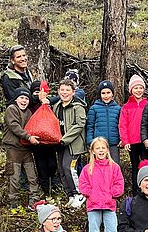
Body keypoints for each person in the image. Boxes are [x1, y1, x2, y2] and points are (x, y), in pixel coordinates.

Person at [78, 137, 124, 232]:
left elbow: (119, 184)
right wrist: (90, 193)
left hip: (109, 206)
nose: (101, 150)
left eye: (103, 148)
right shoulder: (88, 168)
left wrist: (112, 194)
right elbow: (83, 184)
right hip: (93, 206)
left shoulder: (114, 167)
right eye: (98, 148)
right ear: (93, 151)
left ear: (107, 150)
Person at [2, 87, 41, 209]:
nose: (24, 101)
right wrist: (29, 137)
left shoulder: (29, 112)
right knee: (14, 177)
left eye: (26, 98)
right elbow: (14, 126)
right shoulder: (11, 109)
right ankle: (13, 203)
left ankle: (33, 200)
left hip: (26, 149)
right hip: (13, 149)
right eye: (21, 98)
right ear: (16, 99)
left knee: (32, 176)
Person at [52, 79, 88, 208]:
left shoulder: (78, 107)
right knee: (61, 170)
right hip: (59, 144)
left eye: (68, 90)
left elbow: (79, 125)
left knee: (69, 168)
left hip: (73, 145)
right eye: (62, 90)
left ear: (73, 92)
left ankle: (80, 193)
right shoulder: (56, 106)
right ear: (58, 91)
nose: (64, 93)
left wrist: (64, 139)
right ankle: (71, 195)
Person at [27, 80, 61, 197]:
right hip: (37, 143)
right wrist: (38, 99)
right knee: (41, 166)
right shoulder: (30, 103)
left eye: (41, 91)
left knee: (52, 165)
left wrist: (47, 101)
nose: (39, 94)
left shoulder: (49, 102)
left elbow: (60, 97)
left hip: (50, 141)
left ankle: (53, 186)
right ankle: (45, 190)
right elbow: (27, 99)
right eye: (36, 92)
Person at [119, 74, 148, 195]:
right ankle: (136, 191)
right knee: (135, 166)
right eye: (135, 88)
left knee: (146, 164)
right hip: (132, 142)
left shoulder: (147, 104)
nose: (138, 90)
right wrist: (125, 141)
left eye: (140, 88)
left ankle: (147, 189)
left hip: (144, 140)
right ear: (131, 90)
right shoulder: (126, 107)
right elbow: (123, 125)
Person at [86, 80, 122, 163]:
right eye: (103, 93)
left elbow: (121, 126)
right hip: (99, 145)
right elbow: (90, 126)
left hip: (113, 144)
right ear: (100, 94)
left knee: (114, 165)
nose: (106, 96)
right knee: (98, 167)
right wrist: (90, 141)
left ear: (112, 93)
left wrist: (121, 139)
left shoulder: (118, 109)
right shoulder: (94, 108)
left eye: (108, 92)